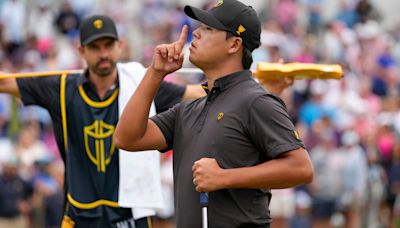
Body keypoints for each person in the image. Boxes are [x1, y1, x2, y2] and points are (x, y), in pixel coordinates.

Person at [114, 0, 314, 227]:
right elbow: (126, 138)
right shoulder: (190, 108)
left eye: (208, 29)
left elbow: (301, 168)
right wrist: (155, 73)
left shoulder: (255, 100)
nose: (196, 33)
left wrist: (224, 177)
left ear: (234, 44)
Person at [0, 15, 205, 228]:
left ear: (120, 46)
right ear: (81, 51)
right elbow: (5, 83)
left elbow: (198, 93)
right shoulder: (61, 87)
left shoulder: (141, 85)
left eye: (108, 45)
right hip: (79, 212)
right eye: (95, 47)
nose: (104, 54)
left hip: (129, 211)